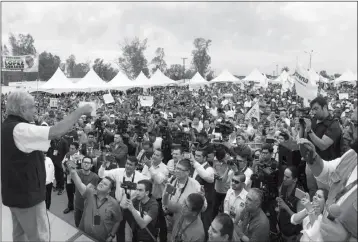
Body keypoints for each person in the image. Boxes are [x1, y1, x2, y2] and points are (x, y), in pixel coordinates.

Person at [1, 90, 92, 242]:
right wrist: (81, 110)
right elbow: (56, 131)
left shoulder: (8, 126)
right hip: (28, 196)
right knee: (39, 237)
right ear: (22, 109)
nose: (35, 110)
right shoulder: (20, 129)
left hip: (15, 194)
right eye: (32, 107)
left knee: (20, 235)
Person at [297, 138, 357, 241]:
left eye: (354, 125)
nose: (348, 128)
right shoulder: (352, 155)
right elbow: (328, 173)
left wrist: (346, 238)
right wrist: (313, 159)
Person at [68, 161, 122, 242]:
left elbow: (118, 220)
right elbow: (79, 184)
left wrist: (112, 235)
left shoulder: (114, 204)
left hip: (101, 239)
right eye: (101, 182)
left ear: (109, 190)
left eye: (105, 184)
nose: (101, 184)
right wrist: (73, 173)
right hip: (83, 235)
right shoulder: (90, 193)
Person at [304, 96, 342, 197]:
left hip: (325, 166)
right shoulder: (312, 120)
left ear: (324, 107)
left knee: (324, 195)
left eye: (316, 108)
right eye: (312, 109)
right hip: (310, 162)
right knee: (312, 191)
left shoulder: (334, 124)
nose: (314, 112)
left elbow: (323, 145)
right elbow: (304, 139)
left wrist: (309, 131)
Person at [74, 156, 100, 228]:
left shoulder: (95, 177)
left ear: (91, 165)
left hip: (88, 207)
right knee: (77, 224)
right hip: (77, 204)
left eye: (88, 163)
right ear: (82, 164)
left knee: (87, 226)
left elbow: (85, 191)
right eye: (84, 162)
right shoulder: (77, 172)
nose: (86, 164)